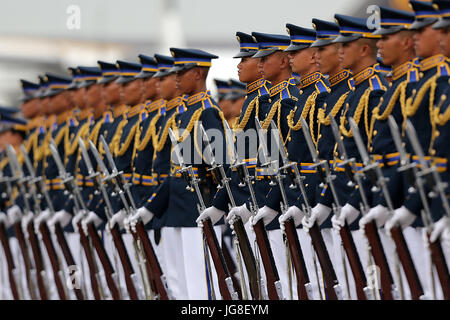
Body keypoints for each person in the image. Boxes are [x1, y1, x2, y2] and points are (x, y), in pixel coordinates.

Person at [131, 48, 227, 300]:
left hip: (199, 208)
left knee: (204, 286)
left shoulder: (207, 112)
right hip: (177, 209)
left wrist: (217, 206)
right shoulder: (185, 114)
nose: (175, 78)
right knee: (180, 284)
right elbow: (177, 171)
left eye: (180, 72)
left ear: (197, 74)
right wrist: (152, 207)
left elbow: (222, 166)